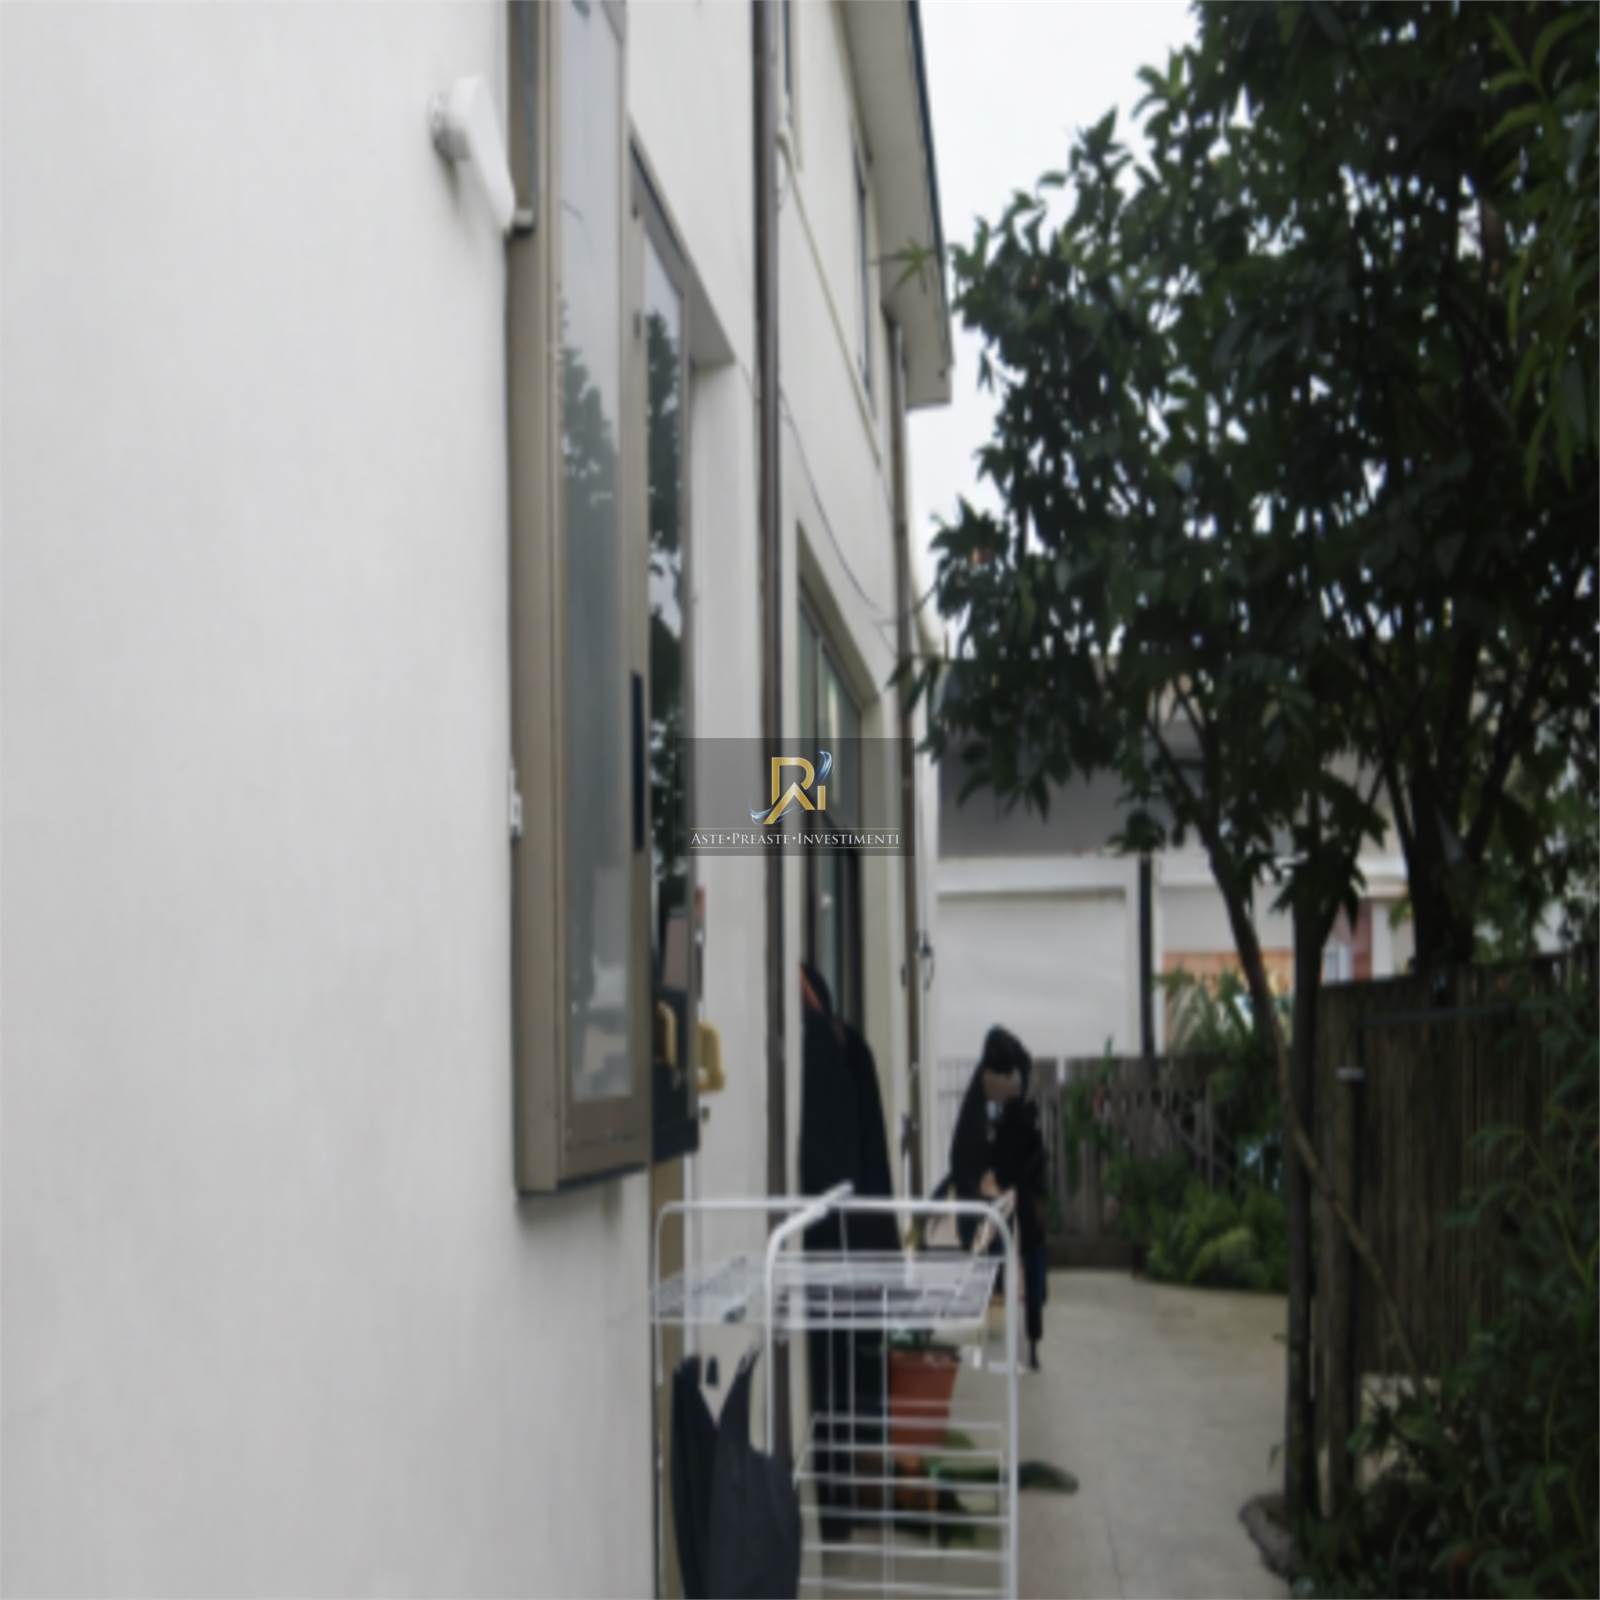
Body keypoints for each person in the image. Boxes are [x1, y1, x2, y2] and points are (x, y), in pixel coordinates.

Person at [949, 1025, 1050, 1370]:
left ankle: (1031, 1335)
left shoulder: (1013, 1083)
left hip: (1020, 1167)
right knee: (994, 1247)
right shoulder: (979, 1099)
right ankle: (1003, 1322)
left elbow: (1024, 1148)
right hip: (993, 1177)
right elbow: (965, 1152)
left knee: (1029, 1249)